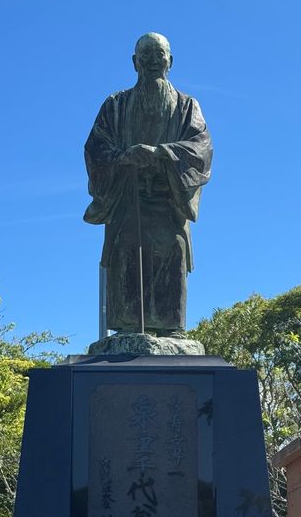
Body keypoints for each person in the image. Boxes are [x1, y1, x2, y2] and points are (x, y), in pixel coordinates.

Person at [84, 32, 213, 336]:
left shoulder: (187, 106)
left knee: (173, 252)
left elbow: (201, 147)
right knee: (128, 255)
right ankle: (129, 329)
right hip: (128, 200)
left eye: (160, 55)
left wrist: (162, 154)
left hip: (170, 201)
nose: (154, 61)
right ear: (134, 62)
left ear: (171, 61)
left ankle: (170, 330)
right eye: (146, 56)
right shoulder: (115, 105)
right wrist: (124, 158)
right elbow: (96, 148)